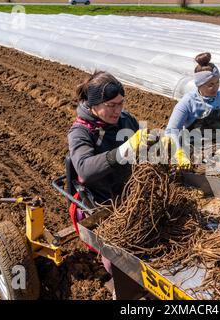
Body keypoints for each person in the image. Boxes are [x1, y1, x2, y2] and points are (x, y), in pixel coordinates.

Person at [67, 70, 149, 285]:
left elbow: (141, 144)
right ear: (94, 105)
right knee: (117, 262)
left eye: (120, 103)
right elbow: (84, 169)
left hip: (132, 193)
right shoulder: (81, 132)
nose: (118, 110)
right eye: (111, 105)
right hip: (103, 204)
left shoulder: (125, 120)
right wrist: (123, 151)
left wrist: (159, 145)